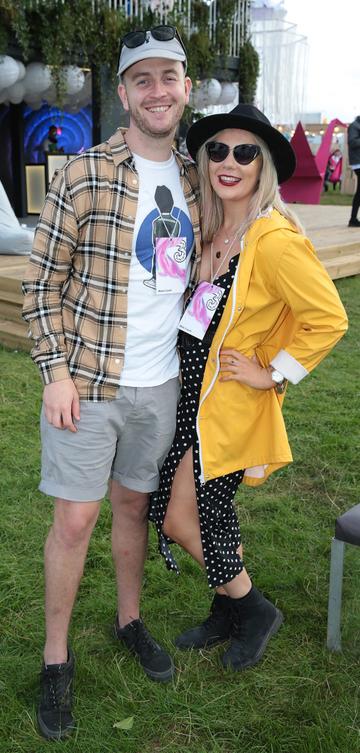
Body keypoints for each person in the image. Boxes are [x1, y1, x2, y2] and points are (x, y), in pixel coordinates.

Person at [22, 26, 200, 741]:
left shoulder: (198, 172)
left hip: (160, 385)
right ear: (123, 93)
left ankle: (130, 619)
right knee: (75, 519)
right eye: (143, 79)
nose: (159, 91)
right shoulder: (85, 172)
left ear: (187, 87)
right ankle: (55, 658)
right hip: (90, 382)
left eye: (171, 77)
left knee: (133, 507)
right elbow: (40, 282)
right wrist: (56, 372)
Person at [150, 104, 348, 673]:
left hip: (230, 404)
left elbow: (329, 317)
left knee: (182, 517)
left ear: (263, 166)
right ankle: (226, 609)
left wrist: (274, 371)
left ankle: (253, 610)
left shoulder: (274, 238)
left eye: (245, 152)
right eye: (217, 150)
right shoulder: (213, 228)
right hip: (192, 395)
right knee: (209, 513)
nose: (228, 162)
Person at [347, 115, 360, 227]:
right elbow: (352, 142)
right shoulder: (354, 126)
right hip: (358, 163)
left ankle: (353, 219)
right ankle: (353, 219)